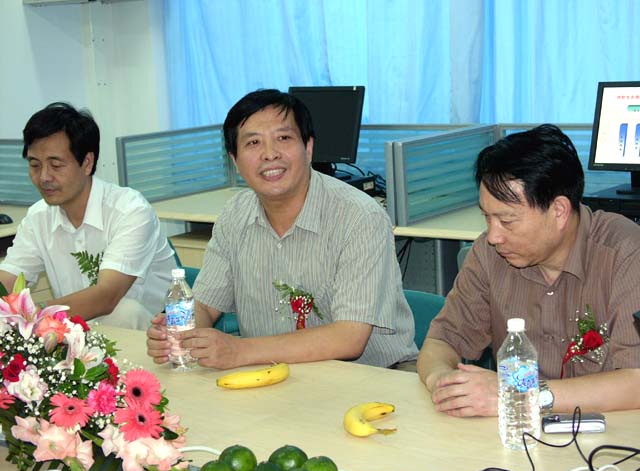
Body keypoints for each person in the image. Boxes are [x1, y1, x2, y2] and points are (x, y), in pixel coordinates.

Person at [146, 88, 417, 369]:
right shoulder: (235, 215)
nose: (270, 154)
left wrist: (238, 350)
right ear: (235, 160)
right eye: (253, 143)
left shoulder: (359, 217)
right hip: (272, 373)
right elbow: (205, 305)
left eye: (283, 138)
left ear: (308, 148)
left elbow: (348, 338)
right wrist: (179, 332)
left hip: (374, 376)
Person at [418, 124, 640, 417]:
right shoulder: (489, 253)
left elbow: (636, 380)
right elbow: (442, 341)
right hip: (516, 432)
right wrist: (444, 383)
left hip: (608, 433)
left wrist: (522, 395)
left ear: (558, 211)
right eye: (487, 218)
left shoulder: (625, 253)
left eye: (507, 221)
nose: (493, 236)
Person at [0, 102, 176, 329]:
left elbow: (106, 297)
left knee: (124, 311)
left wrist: (31, 316)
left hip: (154, 332)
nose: (44, 177)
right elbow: (8, 281)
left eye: (56, 165)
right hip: (77, 332)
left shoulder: (130, 210)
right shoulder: (38, 217)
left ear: (87, 163)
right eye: (35, 165)